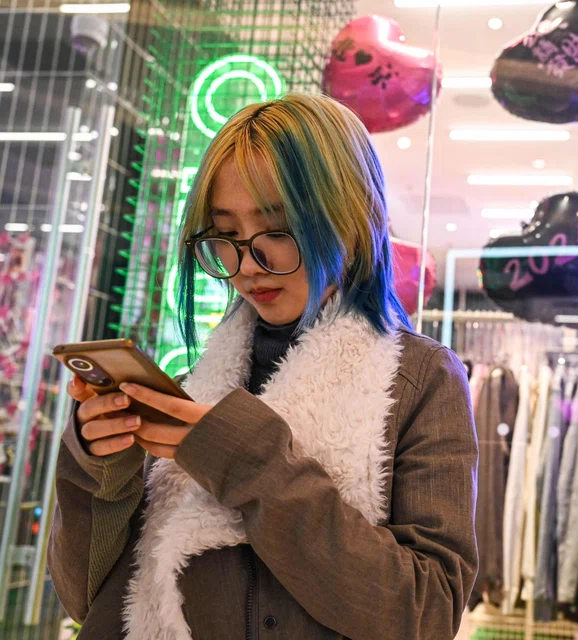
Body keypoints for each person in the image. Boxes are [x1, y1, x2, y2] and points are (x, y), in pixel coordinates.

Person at [48, 92, 479, 639]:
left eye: (278, 230)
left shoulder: (420, 381)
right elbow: (85, 597)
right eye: (225, 235)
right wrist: (99, 468)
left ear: (351, 217)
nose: (248, 264)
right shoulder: (193, 390)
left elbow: (427, 613)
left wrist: (250, 459)